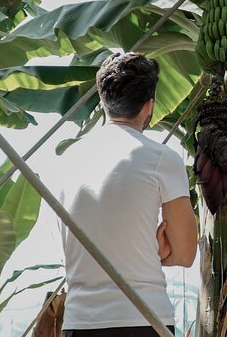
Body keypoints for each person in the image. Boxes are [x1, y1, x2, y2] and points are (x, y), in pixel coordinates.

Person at [51, 52, 198, 337]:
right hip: (143, 320)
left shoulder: (66, 161)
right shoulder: (162, 159)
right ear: (149, 106)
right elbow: (185, 253)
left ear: (103, 99)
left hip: (80, 323)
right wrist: (156, 251)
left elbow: (71, 249)